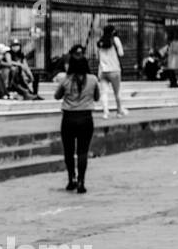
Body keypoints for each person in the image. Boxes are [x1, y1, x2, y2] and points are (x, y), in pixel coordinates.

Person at [54, 54, 98, 194]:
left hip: (68, 118)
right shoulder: (93, 79)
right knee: (83, 151)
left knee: (69, 150)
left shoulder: (65, 80)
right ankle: (81, 181)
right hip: (86, 118)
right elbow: (97, 97)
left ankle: (71, 178)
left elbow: (57, 96)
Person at [95, 24, 125, 118]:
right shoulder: (115, 40)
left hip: (103, 71)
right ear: (112, 31)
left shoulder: (100, 42)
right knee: (117, 92)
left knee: (104, 92)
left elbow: (97, 56)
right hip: (114, 70)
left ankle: (105, 112)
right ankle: (119, 111)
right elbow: (121, 54)